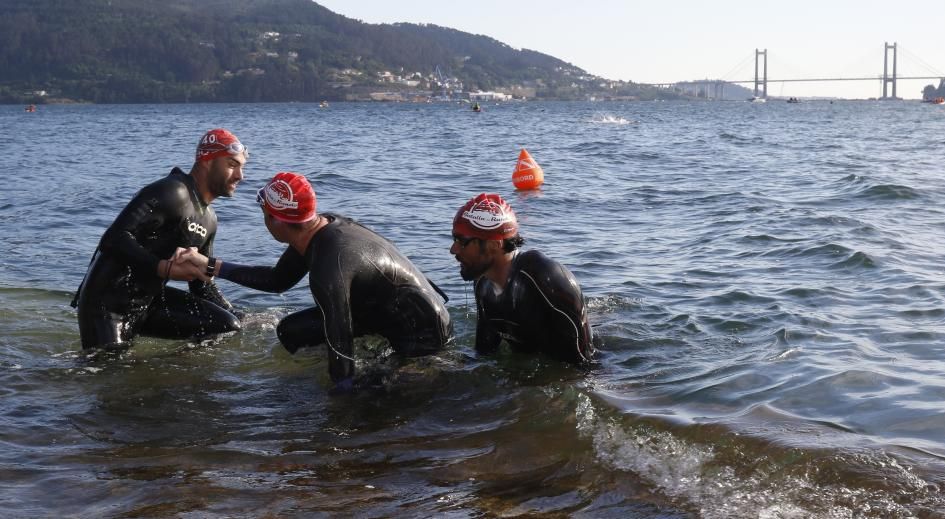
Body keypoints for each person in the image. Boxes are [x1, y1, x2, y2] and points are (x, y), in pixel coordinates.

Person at [177, 172, 451, 389]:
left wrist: (340, 397)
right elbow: (277, 280)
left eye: (264, 214)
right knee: (291, 331)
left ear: (277, 221)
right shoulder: (317, 230)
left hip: (423, 335)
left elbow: (338, 341)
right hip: (391, 313)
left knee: (370, 390)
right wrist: (210, 265)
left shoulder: (328, 266)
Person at [72, 128, 247, 350]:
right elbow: (113, 238)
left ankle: (172, 381)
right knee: (108, 374)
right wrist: (163, 268)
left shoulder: (209, 220)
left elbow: (200, 284)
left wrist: (242, 317)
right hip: (107, 303)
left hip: (149, 301)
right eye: (232, 165)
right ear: (206, 161)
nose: (240, 176)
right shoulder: (173, 191)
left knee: (226, 325)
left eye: (241, 167)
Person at [449, 193, 595, 365]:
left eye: (462, 241)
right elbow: (484, 354)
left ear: (495, 244)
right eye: (454, 239)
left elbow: (585, 363)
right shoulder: (482, 282)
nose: (453, 249)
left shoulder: (542, 277)